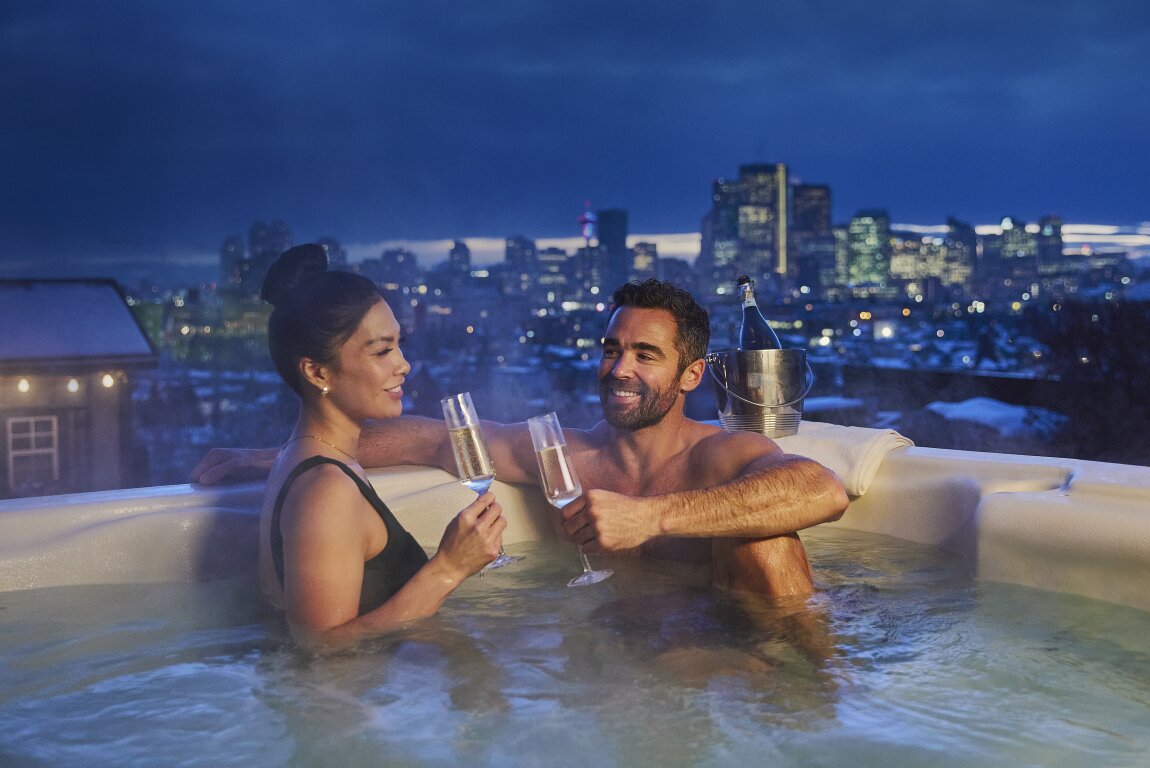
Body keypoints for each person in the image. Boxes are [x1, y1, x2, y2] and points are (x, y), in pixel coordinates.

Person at [193, 279, 848, 598]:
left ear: (691, 375)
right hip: (618, 656)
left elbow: (822, 490)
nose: (620, 369)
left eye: (645, 355)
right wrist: (275, 456)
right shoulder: (570, 455)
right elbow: (430, 441)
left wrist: (650, 518)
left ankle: (810, 712)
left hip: (742, 659)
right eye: (611, 349)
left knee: (767, 543)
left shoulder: (719, 455)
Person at [251, 245, 505, 651]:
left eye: (399, 345)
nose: (403, 364)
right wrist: (449, 569)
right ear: (318, 372)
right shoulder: (326, 490)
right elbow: (320, 649)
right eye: (382, 351)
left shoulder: (310, 460)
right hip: (352, 706)